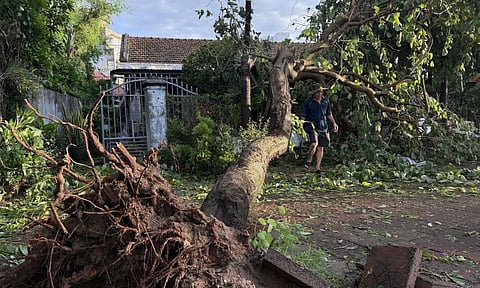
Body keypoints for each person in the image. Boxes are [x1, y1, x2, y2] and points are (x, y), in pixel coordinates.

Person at [300, 87, 338, 172]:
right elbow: (303, 115)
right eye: (317, 92)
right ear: (314, 93)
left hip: (323, 126)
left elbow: (328, 114)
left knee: (321, 147)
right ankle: (309, 159)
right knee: (314, 143)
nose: (319, 94)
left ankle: (317, 167)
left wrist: (334, 123)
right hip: (311, 125)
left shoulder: (326, 101)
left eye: (321, 92)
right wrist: (301, 126)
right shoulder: (308, 102)